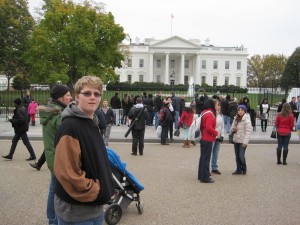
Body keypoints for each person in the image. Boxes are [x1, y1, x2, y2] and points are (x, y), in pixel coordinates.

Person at [54, 76, 114, 225]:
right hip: (78, 212)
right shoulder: (71, 127)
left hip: (93, 208)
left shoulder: (91, 122)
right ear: (77, 97)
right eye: (87, 93)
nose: (92, 97)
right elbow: (67, 173)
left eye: (96, 94)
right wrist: (96, 190)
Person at [38, 84, 72, 224]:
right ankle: (53, 220)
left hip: (53, 156)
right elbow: (68, 132)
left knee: (54, 188)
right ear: (60, 97)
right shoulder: (58, 114)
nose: (71, 97)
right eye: (68, 95)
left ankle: (52, 219)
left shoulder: (52, 111)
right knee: (56, 190)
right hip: (58, 157)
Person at [198, 99, 218, 183]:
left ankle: (201, 175)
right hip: (208, 138)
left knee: (203, 158)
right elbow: (209, 127)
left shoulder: (204, 112)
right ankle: (205, 177)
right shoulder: (210, 114)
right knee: (206, 159)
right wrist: (216, 132)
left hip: (203, 137)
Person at [231, 104, 252, 175]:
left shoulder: (247, 120)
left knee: (241, 155)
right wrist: (234, 129)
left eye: (242, 110)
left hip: (242, 140)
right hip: (236, 139)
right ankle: (238, 169)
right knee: (237, 156)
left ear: (244, 111)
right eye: (239, 110)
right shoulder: (235, 118)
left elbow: (248, 132)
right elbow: (232, 127)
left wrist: (245, 142)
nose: (240, 111)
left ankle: (244, 168)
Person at [211, 99, 225, 175]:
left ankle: (214, 167)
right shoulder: (212, 114)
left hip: (218, 136)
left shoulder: (220, 115)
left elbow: (222, 126)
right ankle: (207, 168)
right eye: (217, 105)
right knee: (210, 153)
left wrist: (222, 135)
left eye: (219, 105)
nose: (219, 106)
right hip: (213, 136)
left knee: (216, 153)